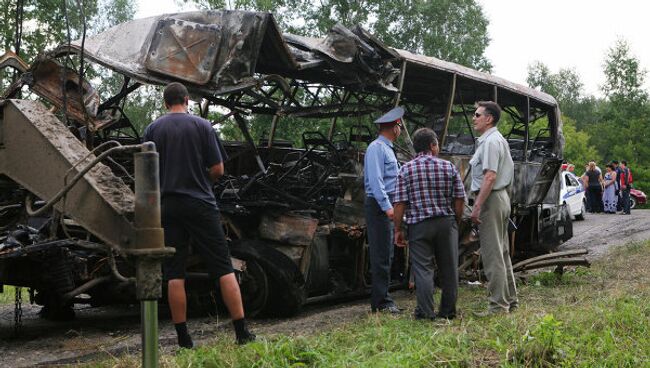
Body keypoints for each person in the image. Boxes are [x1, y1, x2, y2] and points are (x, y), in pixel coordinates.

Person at [143, 82, 255, 348]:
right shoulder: (203, 127)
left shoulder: (152, 130)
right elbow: (218, 169)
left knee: (174, 272)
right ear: (187, 100)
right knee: (222, 266)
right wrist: (201, 180)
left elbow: (147, 172)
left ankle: (183, 339)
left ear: (165, 103)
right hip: (200, 204)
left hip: (167, 205)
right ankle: (241, 332)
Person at [392, 128, 465, 320]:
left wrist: (397, 229)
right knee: (449, 269)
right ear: (432, 146)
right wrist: (455, 221)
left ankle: (425, 313)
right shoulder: (448, 167)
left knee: (423, 270)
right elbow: (459, 198)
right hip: (445, 223)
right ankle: (448, 312)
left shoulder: (405, 170)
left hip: (419, 226)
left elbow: (399, 203)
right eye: (437, 144)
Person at [469, 101, 518, 315]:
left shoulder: (490, 142)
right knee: (503, 252)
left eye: (477, 115)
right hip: (501, 197)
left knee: (492, 254)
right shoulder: (498, 140)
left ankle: (498, 306)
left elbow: (490, 176)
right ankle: (510, 300)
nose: (474, 118)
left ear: (489, 119)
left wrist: (477, 206)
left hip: (492, 199)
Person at [364, 106, 404, 314]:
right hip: (379, 206)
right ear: (394, 127)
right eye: (399, 126)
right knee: (381, 254)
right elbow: (376, 181)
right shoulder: (376, 148)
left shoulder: (387, 149)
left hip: (386, 205)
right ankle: (381, 303)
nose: (400, 130)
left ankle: (384, 298)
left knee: (386, 253)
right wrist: (388, 208)